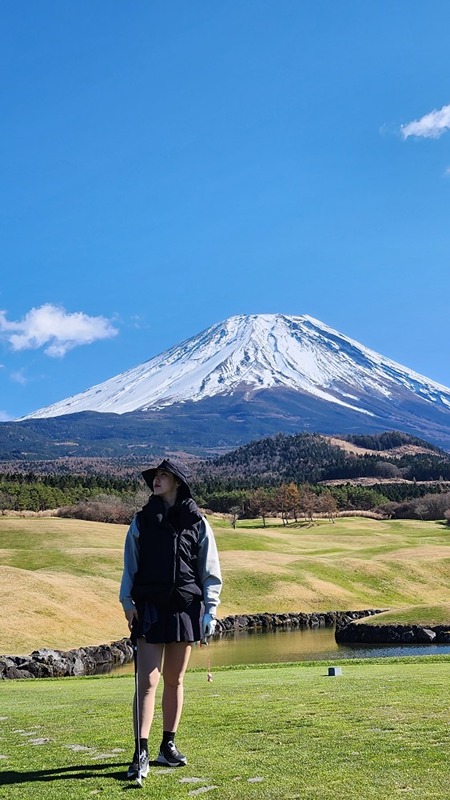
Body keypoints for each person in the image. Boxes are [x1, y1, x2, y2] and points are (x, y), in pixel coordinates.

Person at [119, 458, 222, 782]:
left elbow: (209, 570)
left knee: (175, 680)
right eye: (155, 476)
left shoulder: (198, 523)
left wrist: (211, 611)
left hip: (185, 608)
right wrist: (127, 601)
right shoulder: (141, 521)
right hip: (149, 607)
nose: (156, 480)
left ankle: (168, 746)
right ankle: (141, 753)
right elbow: (129, 565)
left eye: (163, 475)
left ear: (177, 481)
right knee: (147, 681)